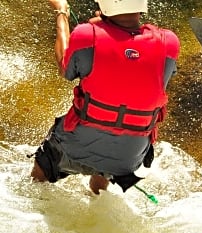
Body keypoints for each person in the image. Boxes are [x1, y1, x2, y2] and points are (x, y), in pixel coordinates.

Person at [31, 0, 180, 195]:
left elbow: (65, 68)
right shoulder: (168, 43)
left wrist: (62, 13)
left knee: (41, 171)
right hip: (129, 156)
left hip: (76, 145)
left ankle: (37, 192)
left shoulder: (87, 34)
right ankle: (98, 190)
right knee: (117, 117)